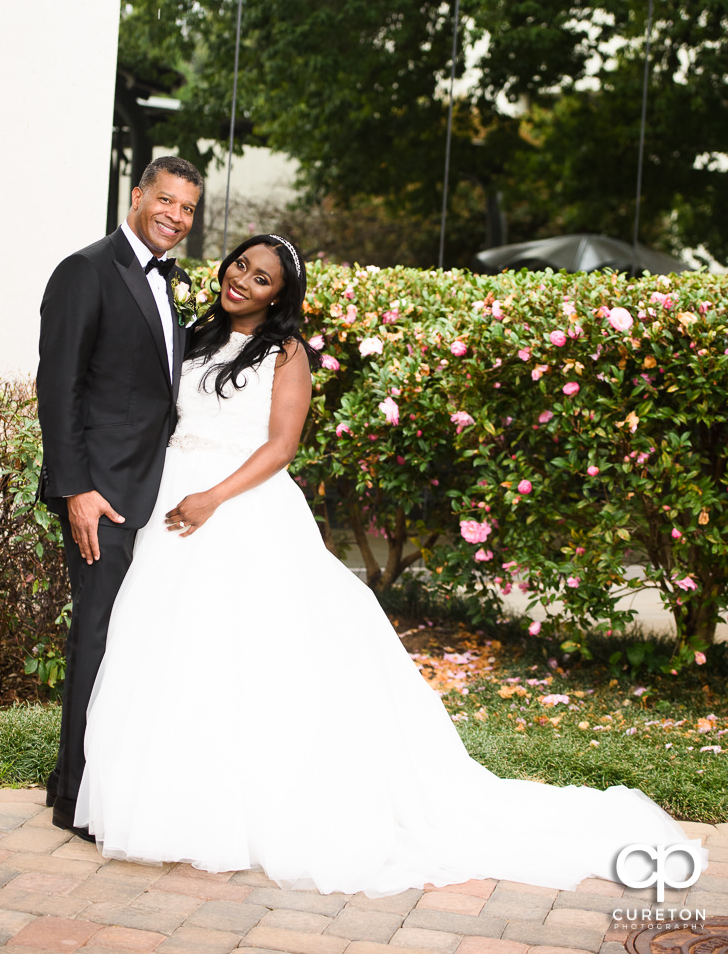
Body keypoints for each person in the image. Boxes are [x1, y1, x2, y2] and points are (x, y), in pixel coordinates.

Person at [74, 233, 696, 895]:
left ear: (279, 297)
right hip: (171, 502)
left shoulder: (286, 353)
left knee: (253, 656)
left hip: (236, 507)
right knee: (175, 651)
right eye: (240, 266)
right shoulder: (192, 336)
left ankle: (255, 809)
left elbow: (282, 446)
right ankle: (178, 800)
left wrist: (211, 498)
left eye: (261, 279)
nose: (242, 281)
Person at [36, 155, 202, 836]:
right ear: (137, 197)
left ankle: (91, 781)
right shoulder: (86, 269)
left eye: (187, 208)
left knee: (128, 638)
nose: (175, 216)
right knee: (97, 635)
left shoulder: (175, 281)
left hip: (153, 490)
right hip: (101, 494)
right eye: (165, 201)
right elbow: (58, 386)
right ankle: (76, 797)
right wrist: (76, 489)